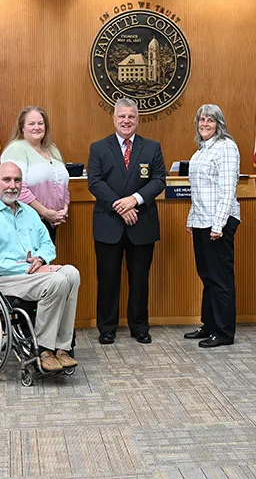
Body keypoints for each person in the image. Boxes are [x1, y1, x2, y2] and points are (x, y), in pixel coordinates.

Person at [0, 162, 80, 372]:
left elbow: (47, 244)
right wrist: (30, 269)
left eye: (17, 180)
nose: (12, 185)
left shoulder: (28, 212)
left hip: (30, 276)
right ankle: (43, 349)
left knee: (71, 273)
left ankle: (62, 347)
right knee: (56, 280)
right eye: (6, 180)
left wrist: (42, 260)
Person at [87, 98, 166, 345]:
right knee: (108, 278)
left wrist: (134, 200)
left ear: (137, 119)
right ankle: (107, 328)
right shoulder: (98, 148)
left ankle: (140, 326)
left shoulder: (152, 147)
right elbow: (95, 182)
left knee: (140, 278)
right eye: (122, 116)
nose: (126, 121)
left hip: (142, 224)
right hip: (109, 224)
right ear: (114, 118)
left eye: (131, 117)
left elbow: (159, 180)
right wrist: (120, 206)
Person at [184, 104, 241, 348]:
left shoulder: (226, 147)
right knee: (207, 276)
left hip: (219, 222)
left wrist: (218, 225)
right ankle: (209, 325)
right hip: (201, 221)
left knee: (220, 279)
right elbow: (198, 192)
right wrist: (191, 220)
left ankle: (224, 332)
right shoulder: (201, 150)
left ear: (219, 124)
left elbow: (228, 190)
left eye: (210, 120)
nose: (205, 124)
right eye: (202, 120)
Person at [1, 106, 70, 243]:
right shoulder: (16, 150)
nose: (36, 127)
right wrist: (44, 212)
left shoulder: (52, 149)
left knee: (45, 261)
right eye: (31, 124)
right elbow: (16, 188)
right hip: (26, 222)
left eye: (40, 123)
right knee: (31, 263)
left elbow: (63, 183)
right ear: (22, 128)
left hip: (52, 222)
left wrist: (64, 209)